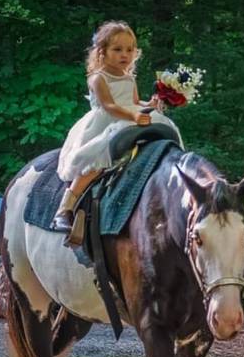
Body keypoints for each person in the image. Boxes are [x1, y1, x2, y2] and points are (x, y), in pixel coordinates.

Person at [53, 20, 177, 231]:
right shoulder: (98, 78)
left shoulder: (129, 78)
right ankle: (65, 208)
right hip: (106, 123)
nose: (125, 55)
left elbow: (136, 102)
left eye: (129, 50)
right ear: (102, 52)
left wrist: (152, 104)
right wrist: (134, 115)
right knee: (94, 163)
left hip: (130, 117)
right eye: (117, 49)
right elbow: (109, 106)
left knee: (164, 136)